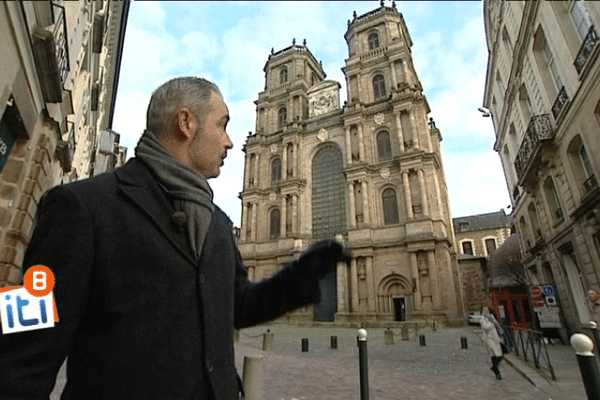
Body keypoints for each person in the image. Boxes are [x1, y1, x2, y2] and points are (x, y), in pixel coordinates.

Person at [0, 77, 348, 399]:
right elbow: (18, 349)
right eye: (222, 125)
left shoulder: (218, 224)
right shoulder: (77, 206)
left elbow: (238, 306)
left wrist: (303, 273)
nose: (229, 141)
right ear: (186, 123)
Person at [480, 306, 504, 380]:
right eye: (484, 310)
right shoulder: (482, 319)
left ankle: (494, 367)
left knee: (501, 354)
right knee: (494, 355)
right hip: (489, 339)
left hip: (496, 338)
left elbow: (497, 325)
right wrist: (492, 322)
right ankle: (497, 373)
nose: (485, 311)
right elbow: (486, 327)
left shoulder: (491, 317)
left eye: (486, 310)